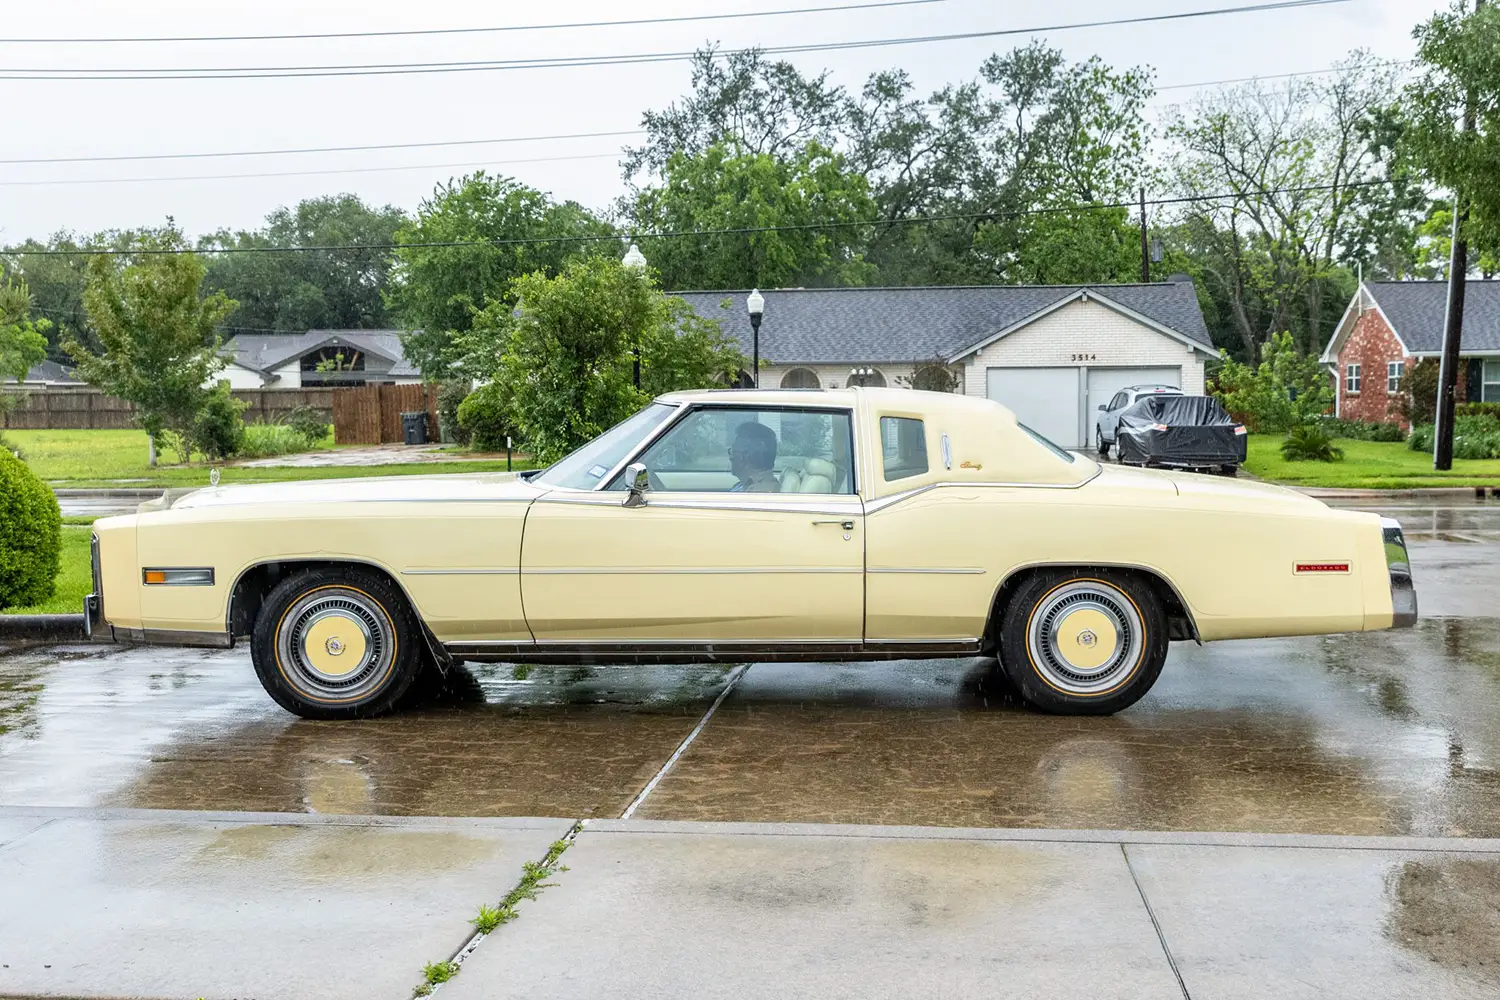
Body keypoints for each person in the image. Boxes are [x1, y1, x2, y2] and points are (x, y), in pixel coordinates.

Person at [728, 421, 780, 492]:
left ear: (743, 457)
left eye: (733, 452)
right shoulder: (744, 485)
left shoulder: (758, 492)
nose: (730, 458)